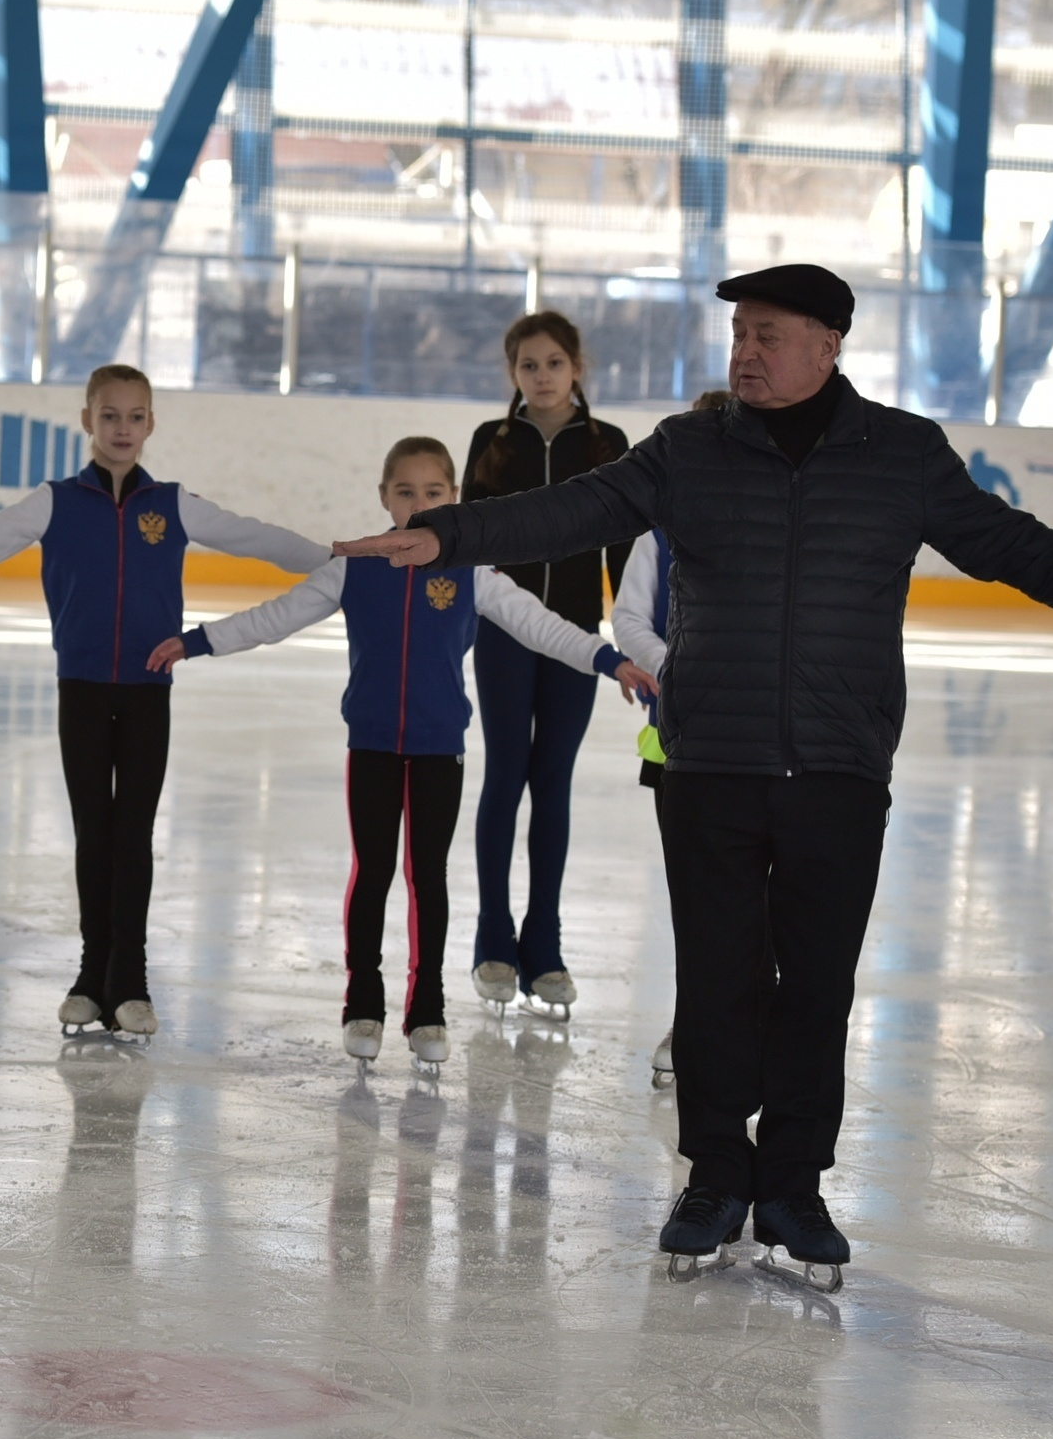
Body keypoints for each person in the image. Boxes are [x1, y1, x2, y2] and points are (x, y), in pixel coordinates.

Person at [333, 263, 1053, 1288]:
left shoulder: (901, 455)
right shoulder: (689, 448)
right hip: (710, 760)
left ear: (828, 342)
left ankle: (792, 1187)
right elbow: (568, 512)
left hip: (836, 763)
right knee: (717, 979)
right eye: (738, 335)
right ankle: (713, 1178)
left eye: (767, 335)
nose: (745, 352)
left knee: (816, 986)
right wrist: (451, 534)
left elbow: (1013, 547)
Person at [0, 363, 329, 1039]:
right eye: (109, 415)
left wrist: (342, 559)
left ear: (151, 423)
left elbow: (258, 537)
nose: (122, 428)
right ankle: (92, 974)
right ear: (87, 420)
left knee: (134, 835)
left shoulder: (173, 503)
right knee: (95, 832)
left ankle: (133, 980)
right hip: (84, 690)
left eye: (135, 416)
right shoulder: (55, 501)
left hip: (150, 688)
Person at [147, 438, 654, 1071]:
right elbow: (274, 617)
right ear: (384, 497)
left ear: (455, 499)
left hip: (440, 748)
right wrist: (196, 642)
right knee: (373, 871)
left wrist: (611, 661)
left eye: (434, 493)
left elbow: (542, 625)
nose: (419, 504)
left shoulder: (474, 573)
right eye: (405, 492)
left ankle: (427, 1008)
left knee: (427, 877)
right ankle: (363, 1000)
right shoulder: (354, 568)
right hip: (374, 747)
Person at [459, 311, 632, 1022]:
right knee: (505, 773)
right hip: (503, 633)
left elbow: (626, 548)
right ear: (514, 374)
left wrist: (635, 639)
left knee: (551, 781)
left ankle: (546, 940)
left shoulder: (608, 444)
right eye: (529, 365)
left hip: (576, 642)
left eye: (554, 363)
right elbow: (466, 539)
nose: (542, 376)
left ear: (577, 367)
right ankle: (493, 935)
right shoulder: (491, 444)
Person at [609, 388, 733, 1089]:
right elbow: (628, 620)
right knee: (698, 894)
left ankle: (743, 1026)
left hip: (768, 748)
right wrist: (680, 670)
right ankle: (693, 1024)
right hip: (680, 742)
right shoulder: (656, 533)